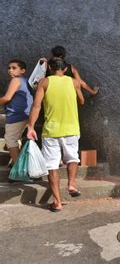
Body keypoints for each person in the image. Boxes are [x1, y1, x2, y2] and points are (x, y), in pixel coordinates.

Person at [27, 57, 85, 212]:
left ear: (49, 69)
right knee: (73, 157)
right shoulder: (74, 82)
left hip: (51, 131)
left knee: (52, 166)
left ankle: (57, 203)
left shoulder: (44, 82)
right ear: (65, 69)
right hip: (71, 129)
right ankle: (72, 184)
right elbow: (82, 101)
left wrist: (31, 127)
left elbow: (36, 106)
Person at [0, 60, 33, 168]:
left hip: (16, 115)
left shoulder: (16, 80)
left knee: (10, 139)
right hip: (26, 114)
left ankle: (18, 168)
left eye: (14, 68)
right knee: (16, 139)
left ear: (23, 70)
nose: (10, 70)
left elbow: (7, 98)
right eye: (9, 68)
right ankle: (17, 163)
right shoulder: (27, 81)